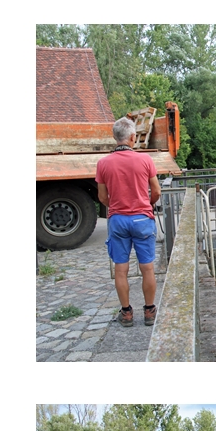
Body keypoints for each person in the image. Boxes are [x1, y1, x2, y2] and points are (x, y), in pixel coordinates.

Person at [96, 116, 162, 327]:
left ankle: (126, 313)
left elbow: (102, 197)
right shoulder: (145, 160)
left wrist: (116, 206)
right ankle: (150, 311)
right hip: (142, 219)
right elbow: (157, 191)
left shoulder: (103, 163)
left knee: (120, 270)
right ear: (133, 137)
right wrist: (146, 204)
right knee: (147, 268)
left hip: (118, 220)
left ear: (115, 138)